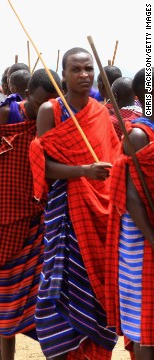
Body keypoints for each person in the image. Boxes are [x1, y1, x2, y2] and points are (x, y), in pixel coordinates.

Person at [31, 47, 120, 359]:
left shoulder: (100, 112)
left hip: (102, 212)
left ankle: (96, 348)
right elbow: (43, 165)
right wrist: (83, 172)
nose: (84, 75)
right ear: (64, 73)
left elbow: (113, 159)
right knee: (66, 279)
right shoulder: (51, 111)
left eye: (88, 69)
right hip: (65, 212)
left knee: (101, 282)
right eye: (76, 70)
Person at [0, 69, 61, 359]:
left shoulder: (62, 115)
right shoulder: (6, 114)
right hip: (4, 219)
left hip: (43, 219)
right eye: (39, 104)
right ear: (26, 96)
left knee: (47, 300)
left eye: (52, 103)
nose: (45, 110)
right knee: (2, 297)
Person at [106, 68, 154, 360]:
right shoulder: (138, 134)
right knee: (145, 323)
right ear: (142, 97)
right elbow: (132, 197)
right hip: (140, 238)